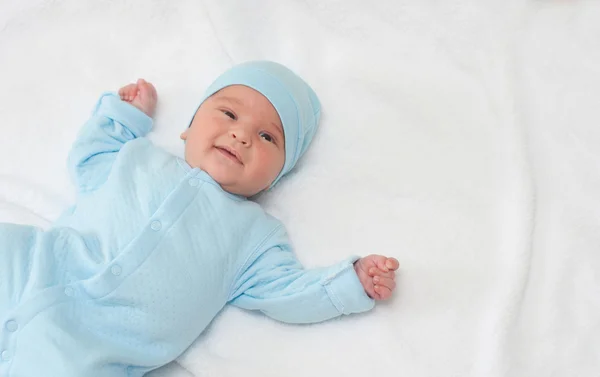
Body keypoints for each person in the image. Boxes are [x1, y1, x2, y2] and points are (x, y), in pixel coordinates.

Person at [0, 61, 399, 376]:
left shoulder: (255, 238)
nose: (241, 135)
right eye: (228, 113)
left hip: (90, 347)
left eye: (267, 138)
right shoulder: (138, 158)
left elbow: (289, 291)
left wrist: (353, 282)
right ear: (187, 129)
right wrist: (125, 116)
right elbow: (91, 156)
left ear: (278, 174)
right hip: (32, 265)